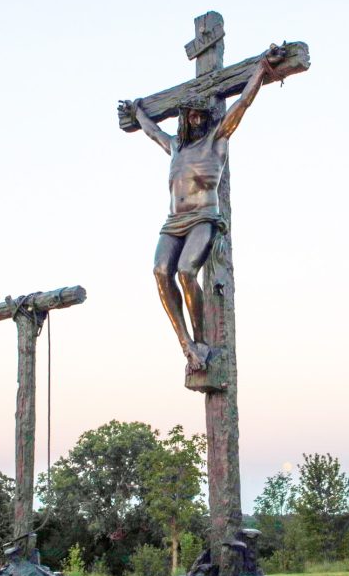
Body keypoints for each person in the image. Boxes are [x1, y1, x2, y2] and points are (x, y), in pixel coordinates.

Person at [118, 45, 283, 371]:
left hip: (203, 218)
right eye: (190, 115)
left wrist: (262, 69)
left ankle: (201, 339)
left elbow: (242, 104)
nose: (195, 119)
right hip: (174, 221)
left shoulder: (216, 140)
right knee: (160, 270)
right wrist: (137, 112)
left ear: (207, 118)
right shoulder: (176, 146)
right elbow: (152, 131)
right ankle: (187, 344)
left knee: (186, 271)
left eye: (199, 115)